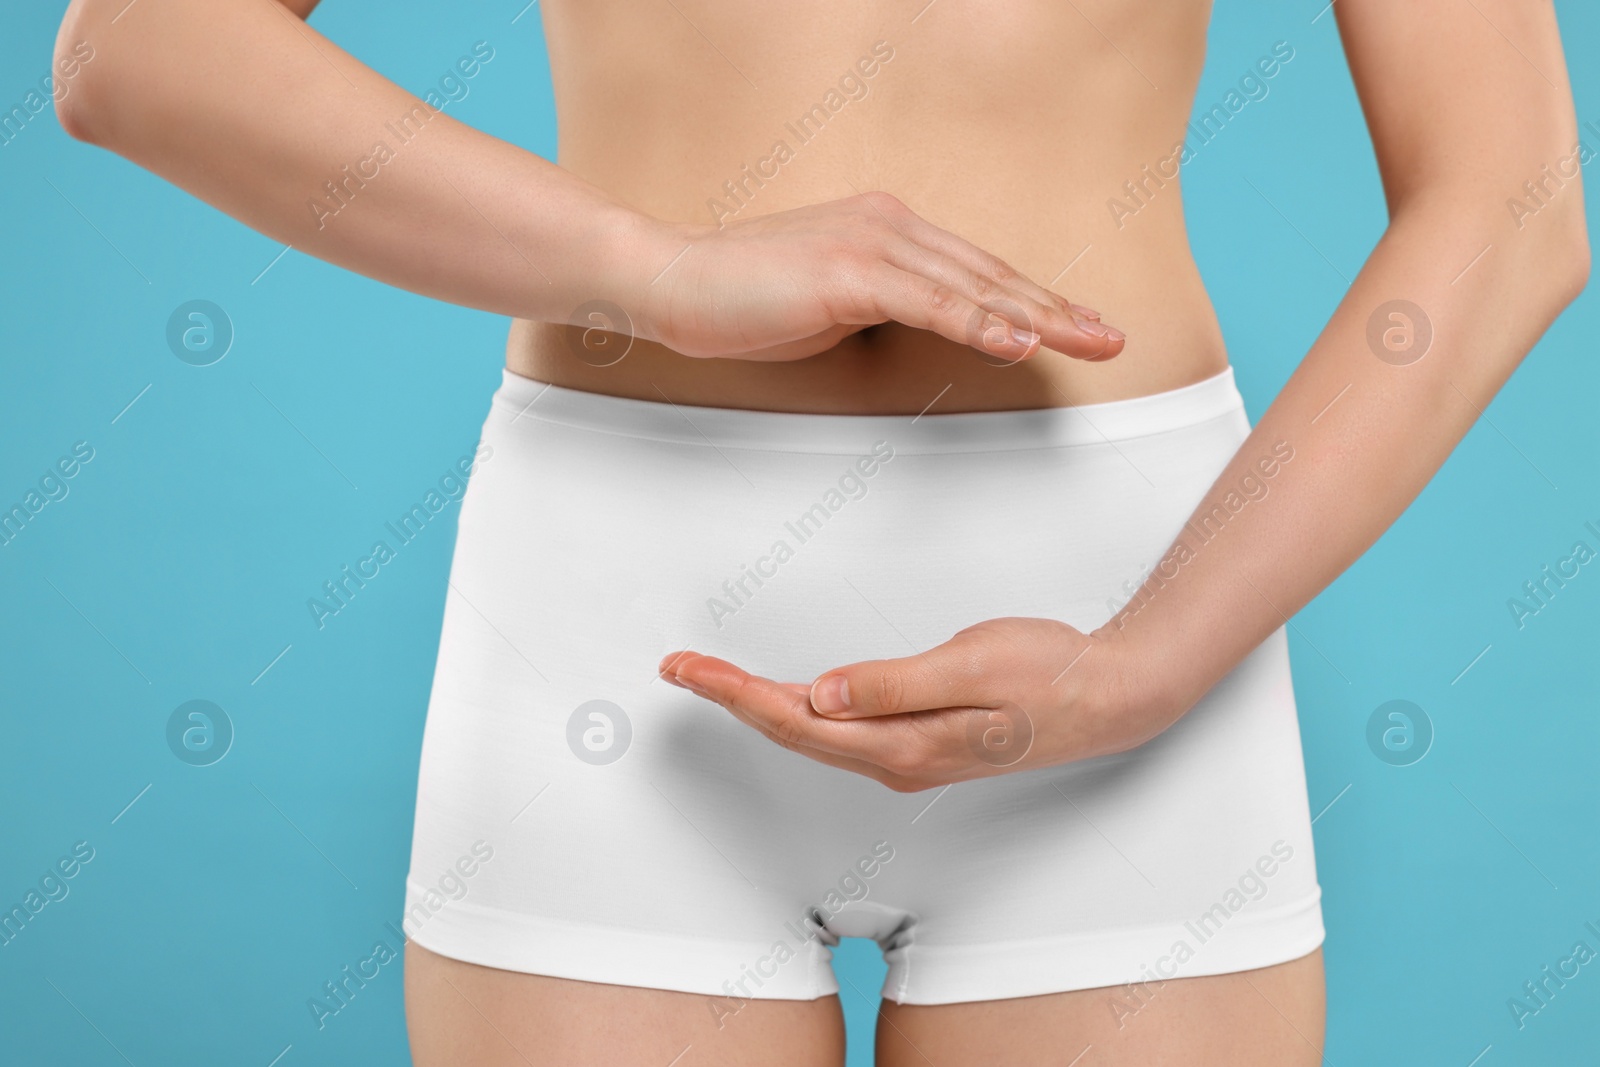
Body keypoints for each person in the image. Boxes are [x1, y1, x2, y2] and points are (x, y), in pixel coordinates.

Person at [54, 0, 1587, 1063]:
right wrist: (648, 269)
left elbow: (1512, 195)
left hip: (1129, 604)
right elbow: (135, 45)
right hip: (624, 614)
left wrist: (1156, 659)